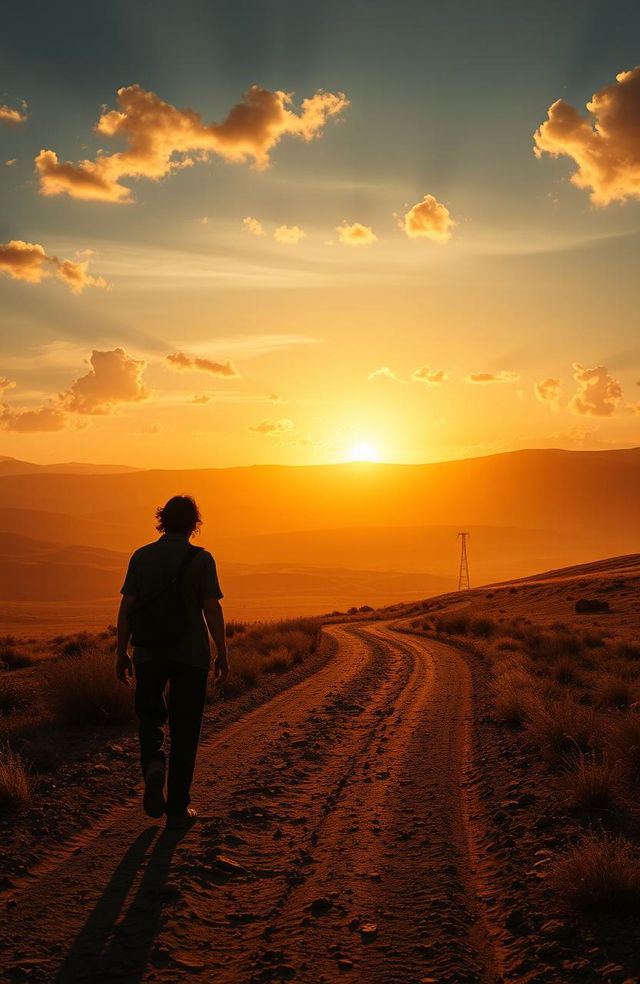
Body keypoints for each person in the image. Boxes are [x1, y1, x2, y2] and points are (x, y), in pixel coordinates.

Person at [115, 495, 229, 829]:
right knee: (186, 730)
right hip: (191, 657)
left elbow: (126, 609)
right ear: (195, 524)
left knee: (149, 718)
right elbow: (212, 609)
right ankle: (177, 809)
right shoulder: (202, 560)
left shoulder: (141, 556)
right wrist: (222, 650)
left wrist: (121, 651)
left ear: (162, 520)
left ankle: (153, 764)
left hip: (148, 653)